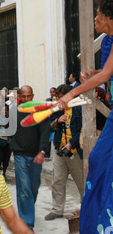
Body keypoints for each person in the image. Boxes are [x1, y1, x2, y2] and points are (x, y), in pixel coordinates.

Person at [57, 0, 113, 234]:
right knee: (96, 176)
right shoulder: (108, 41)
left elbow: (106, 77)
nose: (94, 22)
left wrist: (72, 92)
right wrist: (94, 73)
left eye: (97, 16)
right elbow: (106, 74)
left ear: (109, 16)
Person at [10, 85, 50, 229]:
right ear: (19, 97)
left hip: (36, 155)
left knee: (33, 187)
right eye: (23, 96)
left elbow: (46, 132)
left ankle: (28, 208)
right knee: (24, 188)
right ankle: (27, 223)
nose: (26, 99)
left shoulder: (41, 110)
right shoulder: (14, 111)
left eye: (29, 96)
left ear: (32, 96)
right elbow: (10, 131)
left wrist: (42, 152)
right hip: (20, 154)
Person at [44, 84, 84, 221]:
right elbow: (49, 125)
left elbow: (84, 130)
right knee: (57, 181)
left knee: (81, 182)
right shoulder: (57, 109)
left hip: (75, 152)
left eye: (62, 97)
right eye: (58, 97)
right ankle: (57, 209)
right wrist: (56, 121)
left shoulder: (79, 108)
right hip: (58, 149)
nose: (60, 100)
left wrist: (72, 143)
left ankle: (85, 209)